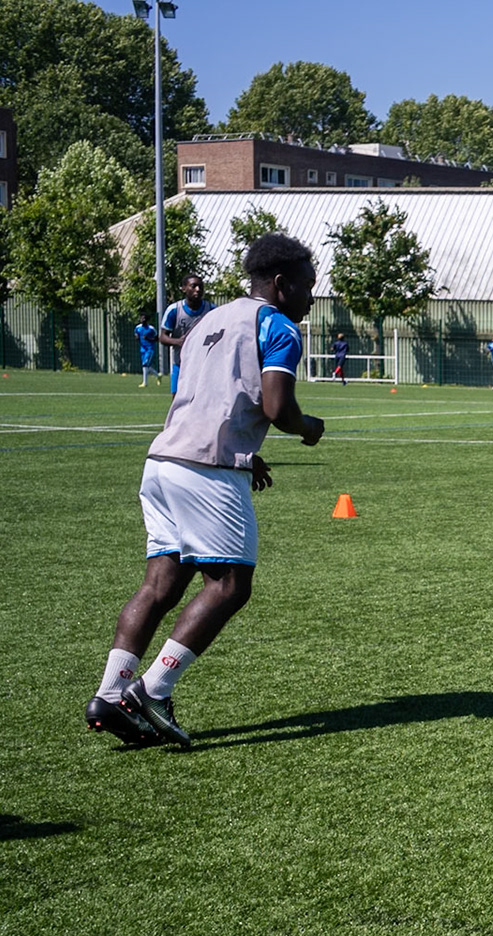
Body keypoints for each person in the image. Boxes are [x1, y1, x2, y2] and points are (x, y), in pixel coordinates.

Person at [86, 235, 325, 749]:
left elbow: (208, 396)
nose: (311, 297)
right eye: (307, 287)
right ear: (281, 285)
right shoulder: (276, 325)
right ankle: (152, 690)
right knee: (230, 586)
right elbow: (277, 408)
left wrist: (245, 450)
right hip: (205, 469)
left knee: (160, 586)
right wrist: (307, 428)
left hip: (164, 461)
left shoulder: (206, 322)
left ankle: (110, 693)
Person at [160, 273, 216, 395]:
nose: (198, 289)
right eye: (193, 286)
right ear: (184, 288)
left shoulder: (211, 310)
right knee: (177, 405)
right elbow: (163, 337)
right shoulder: (174, 310)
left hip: (203, 367)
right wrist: (178, 342)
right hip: (180, 365)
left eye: (200, 286)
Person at [134, 316, 159, 388]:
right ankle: (157, 375)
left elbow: (156, 339)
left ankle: (145, 383)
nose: (142, 320)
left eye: (144, 318)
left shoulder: (151, 329)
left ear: (147, 320)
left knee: (145, 364)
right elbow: (136, 335)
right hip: (143, 349)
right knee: (146, 366)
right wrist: (137, 337)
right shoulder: (137, 328)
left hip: (150, 349)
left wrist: (148, 338)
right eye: (141, 318)